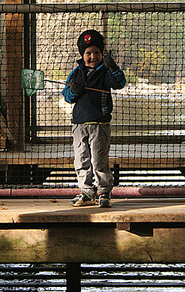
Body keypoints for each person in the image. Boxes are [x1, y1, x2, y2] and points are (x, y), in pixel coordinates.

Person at [62, 29, 126, 208]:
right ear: (82, 55)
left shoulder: (106, 72)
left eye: (97, 53)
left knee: (99, 159)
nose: (92, 56)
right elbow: (67, 96)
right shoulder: (76, 73)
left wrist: (113, 67)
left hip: (100, 124)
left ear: (102, 54)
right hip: (79, 124)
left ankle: (104, 191)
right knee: (81, 159)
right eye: (88, 53)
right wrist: (73, 91)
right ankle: (86, 191)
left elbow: (119, 84)